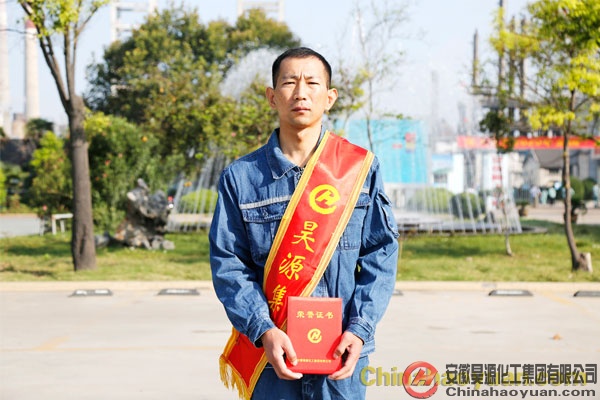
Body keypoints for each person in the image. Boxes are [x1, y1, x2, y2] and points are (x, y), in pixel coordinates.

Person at [209, 47, 399, 400]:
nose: (301, 92)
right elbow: (229, 263)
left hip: (343, 354)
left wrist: (359, 329)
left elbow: (381, 254)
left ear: (330, 97)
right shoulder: (241, 177)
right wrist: (264, 329)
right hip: (271, 357)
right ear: (272, 97)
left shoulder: (359, 169)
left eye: (312, 83)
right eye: (289, 82)